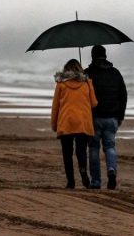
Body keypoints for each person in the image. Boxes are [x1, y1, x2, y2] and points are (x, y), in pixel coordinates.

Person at [84, 45, 128, 190]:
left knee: (94, 148)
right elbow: (123, 95)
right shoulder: (115, 73)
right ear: (105, 55)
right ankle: (111, 170)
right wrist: (120, 115)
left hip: (94, 117)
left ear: (92, 56)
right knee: (110, 146)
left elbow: (82, 97)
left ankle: (96, 181)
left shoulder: (88, 74)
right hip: (112, 117)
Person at [50, 58, 98, 189]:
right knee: (81, 151)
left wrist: (54, 125)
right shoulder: (86, 84)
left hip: (66, 122)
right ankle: (83, 172)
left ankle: (70, 181)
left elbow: (55, 107)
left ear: (66, 70)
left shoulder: (61, 84)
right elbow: (94, 103)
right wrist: (89, 83)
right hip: (82, 122)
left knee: (67, 153)